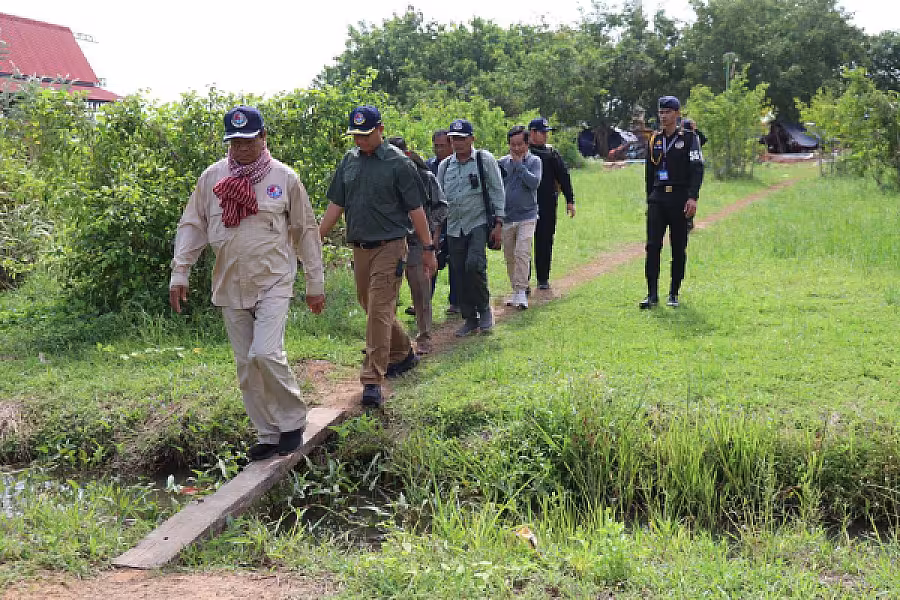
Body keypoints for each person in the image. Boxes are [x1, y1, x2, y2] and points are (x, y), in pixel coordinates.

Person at [169, 105, 325, 462]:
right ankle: (268, 433)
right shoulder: (213, 178)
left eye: (248, 141)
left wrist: (314, 283)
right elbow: (193, 225)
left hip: (273, 279)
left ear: (263, 137)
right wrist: (180, 272)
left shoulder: (285, 178)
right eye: (234, 142)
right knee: (246, 365)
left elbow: (305, 231)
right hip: (229, 283)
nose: (240, 148)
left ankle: (292, 422)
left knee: (265, 353)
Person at [319, 106, 438, 408]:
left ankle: (372, 379)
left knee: (379, 308)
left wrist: (428, 249)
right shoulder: (349, 161)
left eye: (366, 134)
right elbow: (336, 204)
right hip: (360, 248)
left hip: (391, 246)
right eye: (356, 135)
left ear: (380, 130)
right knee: (369, 304)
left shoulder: (399, 164)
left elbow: (416, 210)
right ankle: (404, 353)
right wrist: (315, 237)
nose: (360, 140)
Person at [437, 118, 505, 337]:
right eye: (454, 139)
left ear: (472, 139)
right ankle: (469, 318)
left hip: (478, 222)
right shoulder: (445, 166)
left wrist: (499, 224)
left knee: (474, 265)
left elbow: (497, 190)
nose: (457, 143)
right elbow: (439, 200)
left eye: (462, 138)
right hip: (453, 226)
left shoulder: (484, 160)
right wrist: (436, 232)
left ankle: (484, 309)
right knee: (458, 272)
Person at [641, 96, 704, 309]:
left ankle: (673, 293)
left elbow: (697, 168)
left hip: (679, 198)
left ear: (677, 114)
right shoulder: (655, 139)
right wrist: (649, 198)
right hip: (658, 199)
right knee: (652, 246)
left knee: (678, 247)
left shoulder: (689, 138)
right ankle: (651, 294)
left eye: (668, 112)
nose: (663, 116)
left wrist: (693, 197)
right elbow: (649, 172)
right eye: (661, 112)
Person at [387, 136, 448, 354]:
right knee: (386, 295)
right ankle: (388, 341)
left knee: (421, 291)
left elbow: (441, 207)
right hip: (391, 242)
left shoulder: (424, 177)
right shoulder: (384, 177)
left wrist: (430, 235)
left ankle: (424, 337)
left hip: (416, 243)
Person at [528, 117, 576, 290]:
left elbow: (563, 176)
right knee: (523, 244)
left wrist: (570, 200)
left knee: (545, 240)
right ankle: (522, 281)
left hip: (547, 203)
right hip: (525, 204)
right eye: (542, 132)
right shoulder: (523, 151)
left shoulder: (551, 153)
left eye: (546, 132)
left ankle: (543, 279)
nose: (546, 136)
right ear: (532, 133)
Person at [498, 125, 542, 309]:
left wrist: (519, 165)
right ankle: (515, 289)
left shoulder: (535, 161)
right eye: (512, 145)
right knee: (510, 256)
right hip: (507, 217)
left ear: (527, 144)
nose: (516, 148)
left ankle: (522, 291)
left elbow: (534, 183)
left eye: (519, 144)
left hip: (528, 215)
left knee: (522, 252)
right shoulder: (501, 163)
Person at [426, 129, 460, 315]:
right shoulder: (428, 166)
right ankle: (424, 302)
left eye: (442, 146)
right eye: (436, 146)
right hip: (433, 220)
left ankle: (456, 301)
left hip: (455, 219)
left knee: (455, 261)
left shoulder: (457, 164)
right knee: (431, 260)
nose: (439, 150)